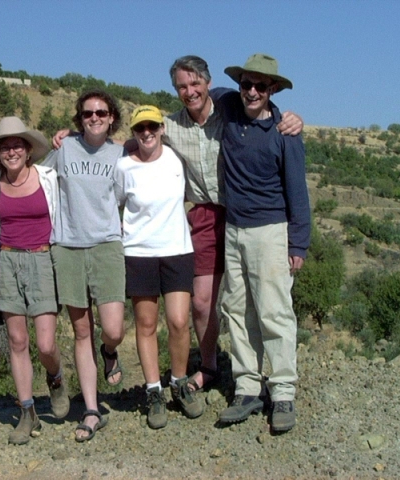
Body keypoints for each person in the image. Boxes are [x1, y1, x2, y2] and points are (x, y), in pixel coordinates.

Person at [164, 56, 303, 396]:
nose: (190, 91)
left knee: (268, 305)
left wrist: (289, 118)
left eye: (196, 83)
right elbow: (136, 141)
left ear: (208, 83)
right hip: (209, 217)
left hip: (253, 217)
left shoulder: (232, 106)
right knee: (218, 304)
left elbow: (259, 100)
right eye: (183, 85)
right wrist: (75, 135)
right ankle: (226, 374)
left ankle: (280, 385)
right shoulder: (175, 124)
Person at [213, 54, 310, 432]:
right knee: (236, 309)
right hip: (233, 230)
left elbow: (298, 192)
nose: (251, 91)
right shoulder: (229, 107)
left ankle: (283, 391)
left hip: (271, 231)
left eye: (260, 86)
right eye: (246, 84)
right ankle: (247, 387)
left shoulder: (286, 134)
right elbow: (203, 95)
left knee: (274, 311)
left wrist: (298, 244)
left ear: (272, 90)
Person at [0, 117, 69, 445]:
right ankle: (27, 411)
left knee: (45, 344)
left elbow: (75, 147)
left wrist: (69, 133)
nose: (12, 151)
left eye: (17, 145)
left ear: (29, 150)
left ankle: (56, 378)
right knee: (17, 341)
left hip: (43, 259)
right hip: (8, 259)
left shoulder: (48, 175)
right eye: (5, 146)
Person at [42, 89, 126, 442]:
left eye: (101, 113)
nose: (94, 118)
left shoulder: (120, 154)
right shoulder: (63, 149)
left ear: (111, 118)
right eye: (88, 113)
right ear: (79, 118)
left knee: (113, 329)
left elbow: (122, 197)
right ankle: (92, 411)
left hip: (106, 246)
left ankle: (110, 352)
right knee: (81, 331)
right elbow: (36, 181)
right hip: (68, 247)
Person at [113, 106, 203, 429]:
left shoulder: (176, 160)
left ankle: (178, 382)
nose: (147, 133)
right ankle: (154, 390)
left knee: (180, 321)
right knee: (146, 324)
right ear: (134, 132)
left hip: (177, 249)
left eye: (152, 126)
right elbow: (116, 203)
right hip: (139, 253)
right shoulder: (124, 167)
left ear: (162, 128)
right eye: (140, 128)